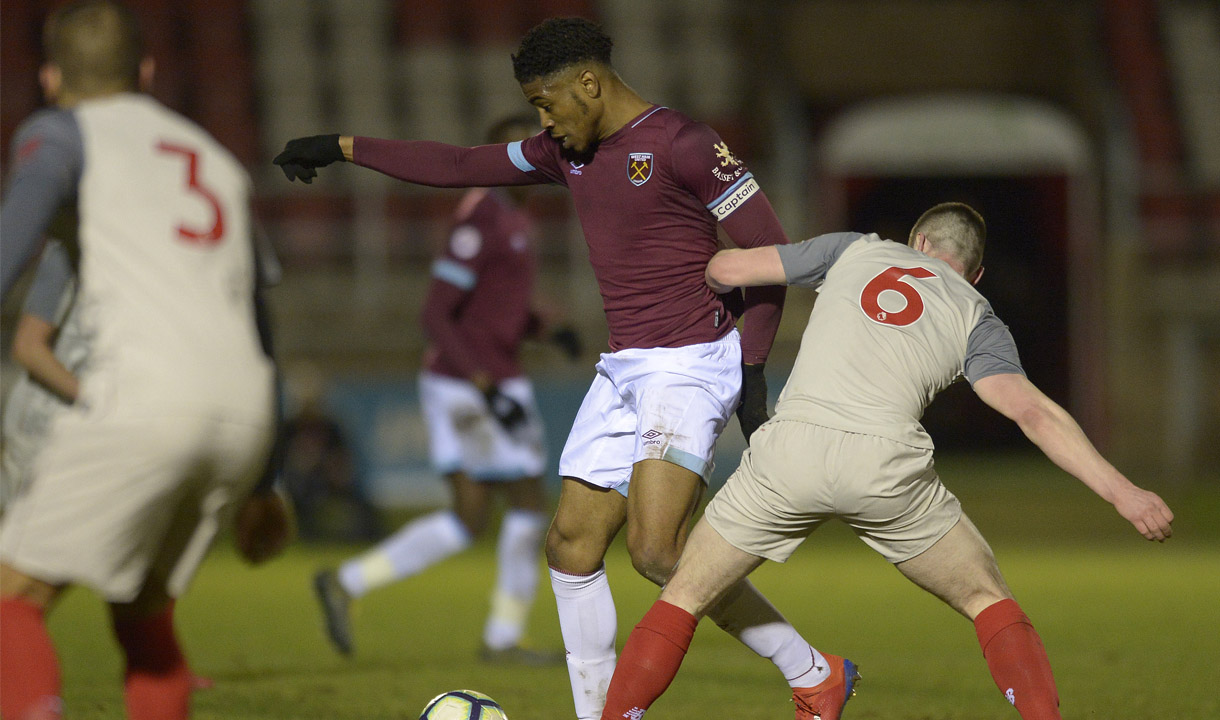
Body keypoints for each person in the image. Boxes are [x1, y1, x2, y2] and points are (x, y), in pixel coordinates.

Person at [273, 17, 843, 720]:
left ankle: (814, 673)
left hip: (692, 363)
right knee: (570, 545)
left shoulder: (687, 146)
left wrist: (753, 374)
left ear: (588, 84)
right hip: (625, 369)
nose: (543, 121)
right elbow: (458, 165)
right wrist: (341, 147)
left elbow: (772, 257)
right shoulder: (561, 153)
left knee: (657, 552)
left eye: (547, 103)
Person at [598, 202, 1175, 720]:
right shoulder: (977, 314)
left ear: (919, 242)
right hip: (886, 466)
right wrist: (1123, 492)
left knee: (684, 597)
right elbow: (1033, 413)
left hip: (791, 451)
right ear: (973, 274)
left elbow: (726, 270)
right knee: (986, 598)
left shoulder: (857, 248)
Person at [0, 3, 292, 719]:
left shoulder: (59, 131)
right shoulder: (217, 161)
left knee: (12, 603)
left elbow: (8, 255)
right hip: (242, 414)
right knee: (143, 613)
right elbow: (262, 325)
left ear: (49, 76)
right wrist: (265, 479)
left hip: (143, 402)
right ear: (147, 72)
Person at [312, 116, 579, 664]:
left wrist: (542, 329)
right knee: (527, 501)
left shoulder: (513, 216)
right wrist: (484, 385)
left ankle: (347, 581)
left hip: (483, 376)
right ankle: (503, 636)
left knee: (470, 518)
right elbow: (436, 313)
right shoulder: (482, 219)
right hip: (472, 383)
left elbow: (488, 309)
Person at [1, 242, 83, 512]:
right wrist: (100, 400)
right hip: (42, 425)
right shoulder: (71, 248)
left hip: (89, 427)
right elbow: (27, 347)